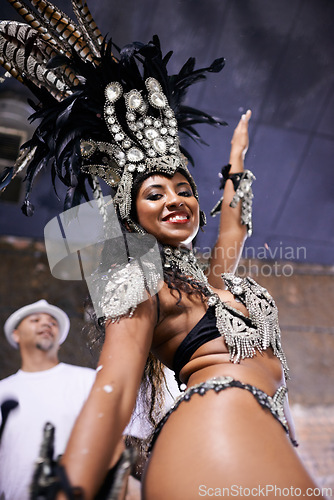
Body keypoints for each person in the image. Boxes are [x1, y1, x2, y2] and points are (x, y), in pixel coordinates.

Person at [0, 2, 322, 498]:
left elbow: (232, 231)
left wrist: (235, 165)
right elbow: (117, 385)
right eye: (155, 193)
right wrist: (72, 485)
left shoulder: (214, 278)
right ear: (132, 214)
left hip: (260, 431)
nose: (175, 199)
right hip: (216, 426)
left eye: (184, 189)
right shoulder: (137, 275)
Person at [0, 299, 97, 500]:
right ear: (16, 335)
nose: (46, 324)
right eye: (35, 320)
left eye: (53, 323)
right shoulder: (2, 391)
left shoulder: (89, 380)